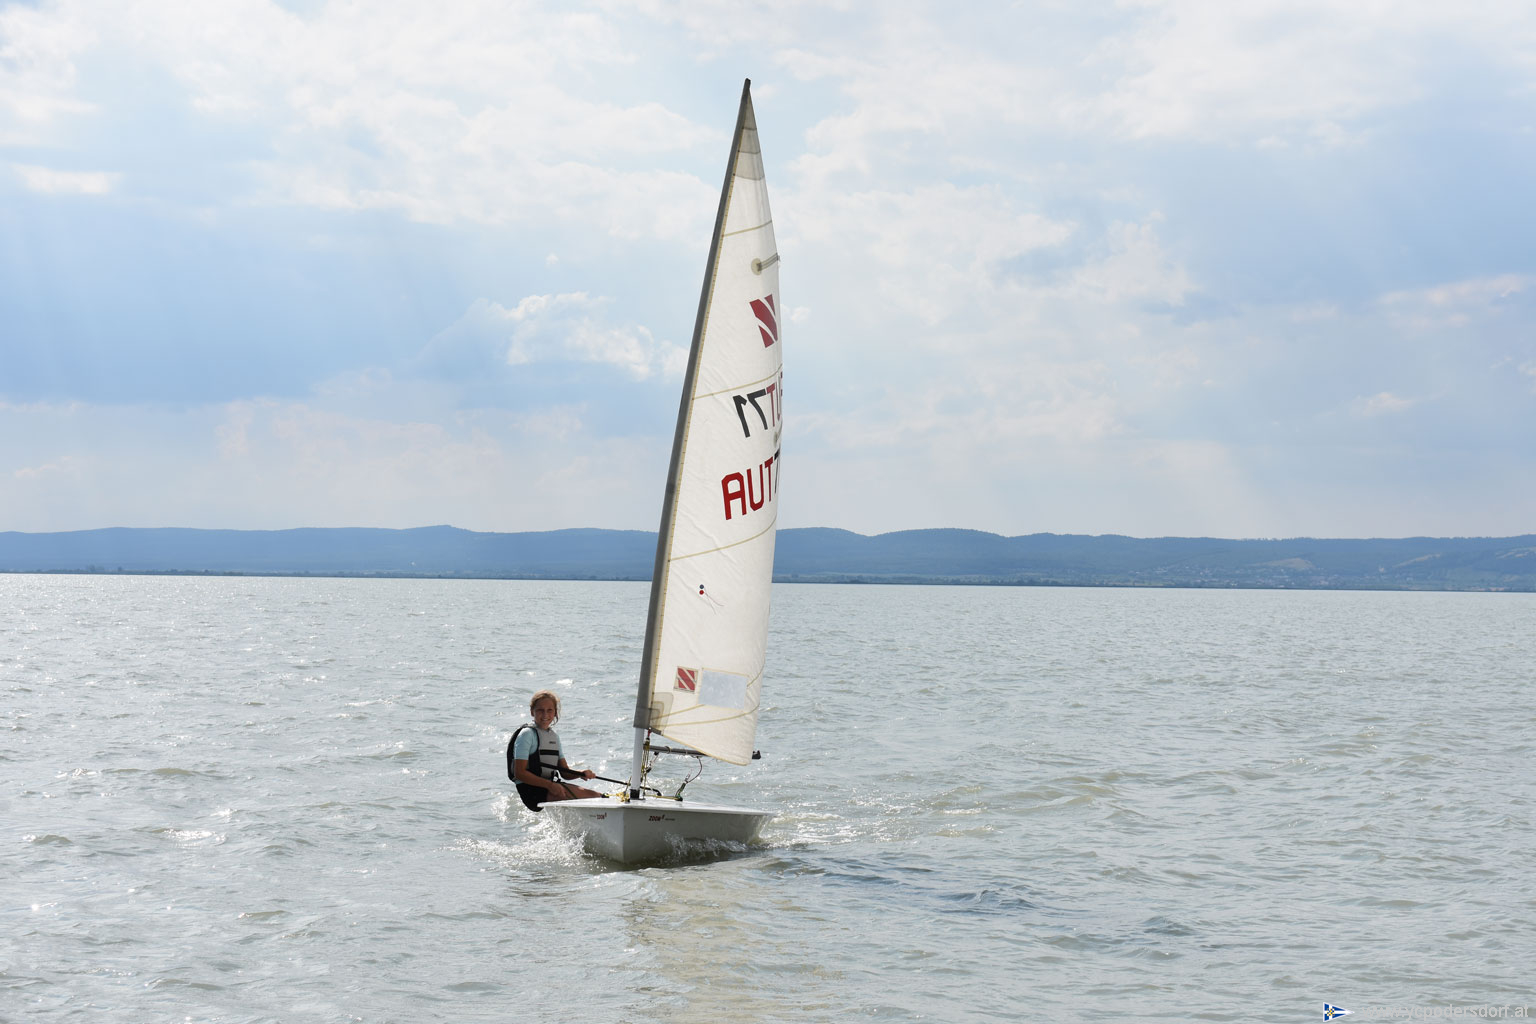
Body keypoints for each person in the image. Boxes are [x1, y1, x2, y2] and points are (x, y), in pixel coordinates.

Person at [507, 689, 600, 811]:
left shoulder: (554, 737)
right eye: (540, 710)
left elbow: (565, 773)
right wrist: (550, 785)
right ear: (532, 712)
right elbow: (519, 773)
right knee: (593, 797)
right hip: (531, 790)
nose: (545, 715)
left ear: (555, 712)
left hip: (549, 786)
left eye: (549, 710)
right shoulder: (527, 734)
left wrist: (580, 773)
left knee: (594, 795)